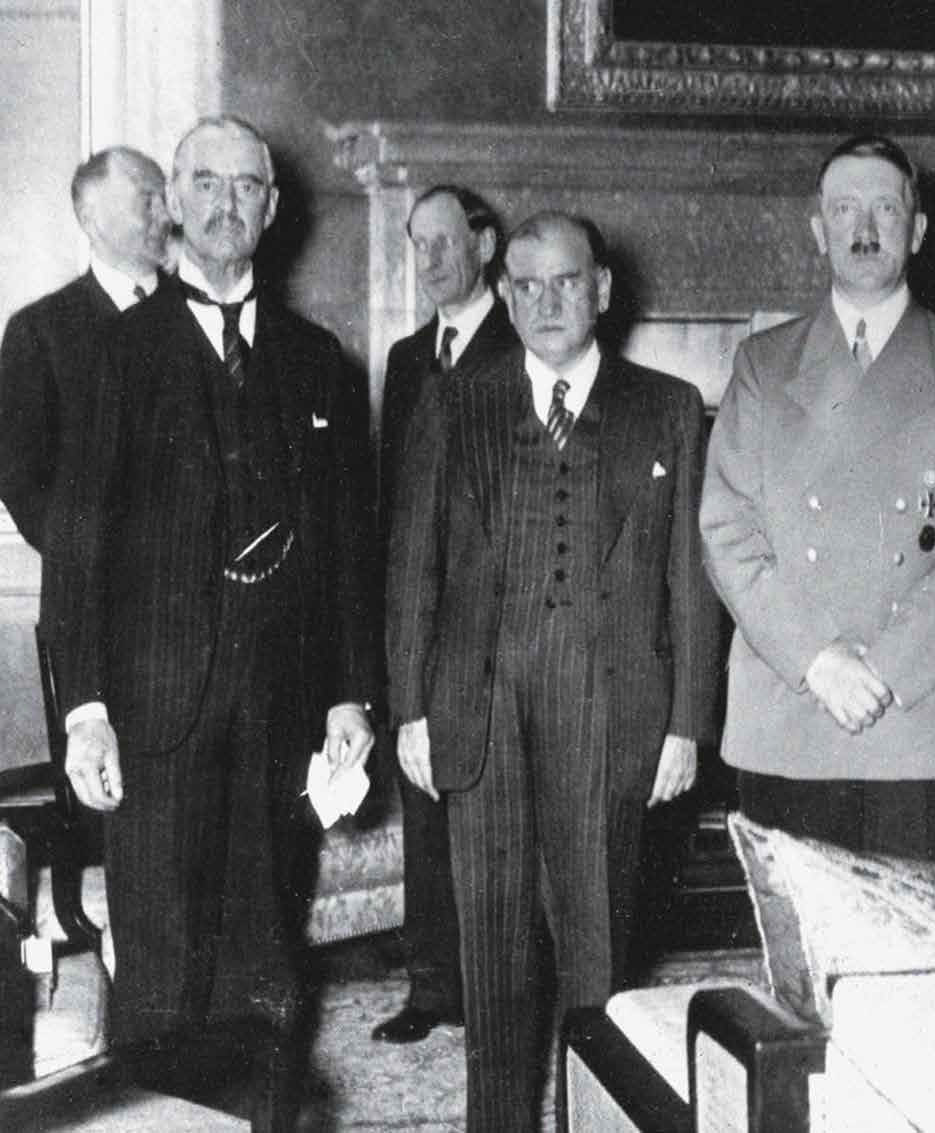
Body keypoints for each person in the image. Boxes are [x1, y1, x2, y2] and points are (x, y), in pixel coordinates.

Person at [55, 115, 377, 1130]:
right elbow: (77, 546)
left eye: (246, 185)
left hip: (281, 713)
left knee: (265, 962)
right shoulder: (113, 351)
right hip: (154, 715)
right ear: (173, 203)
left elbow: (347, 544)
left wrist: (351, 695)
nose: (225, 202)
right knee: (159, 968)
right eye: (205, 182)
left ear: (272, 209)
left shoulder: (317, 359)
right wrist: (86, 711)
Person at [387, 210, 718, 1130]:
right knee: (491, 957)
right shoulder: (455, 402)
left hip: (612, 716)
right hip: (480, 714)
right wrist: (410, 709)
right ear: (505, 294)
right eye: (525, 287)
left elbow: (691, 580)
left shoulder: (668, 406)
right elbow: (413, 565)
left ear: (601, 289)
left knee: (597, 957)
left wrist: (687, 723)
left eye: (565, 283)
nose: (545, 303)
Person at [701, 134, 935, 866]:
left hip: (917, 712)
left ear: (918, 230)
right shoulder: (763, 364)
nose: (865, 228)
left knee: (915, 932)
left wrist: (890, 669)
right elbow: (726, 528)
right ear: (819, 230)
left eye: (886, 208)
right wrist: (818, 660)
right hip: (791, 708)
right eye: (844, 209)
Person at [368, 185, 515, 1046]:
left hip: (498, 624)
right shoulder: (405, 359)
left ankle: (501, 986)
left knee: (498, 817)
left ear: (485, 246)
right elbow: (394, 505)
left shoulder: (525, 342)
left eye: (444, 241)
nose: (428, 260)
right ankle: (432, 987)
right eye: (416, 244)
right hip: (422, 620)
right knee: (424, 804)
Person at [0, 146, 170, 651]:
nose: (165, 215)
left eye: (165, 198)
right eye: (147, 200)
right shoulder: (40, 331)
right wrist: (90, 554)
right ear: (91, 219)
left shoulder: (200, 317)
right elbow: (17, 473)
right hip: (92, 616)